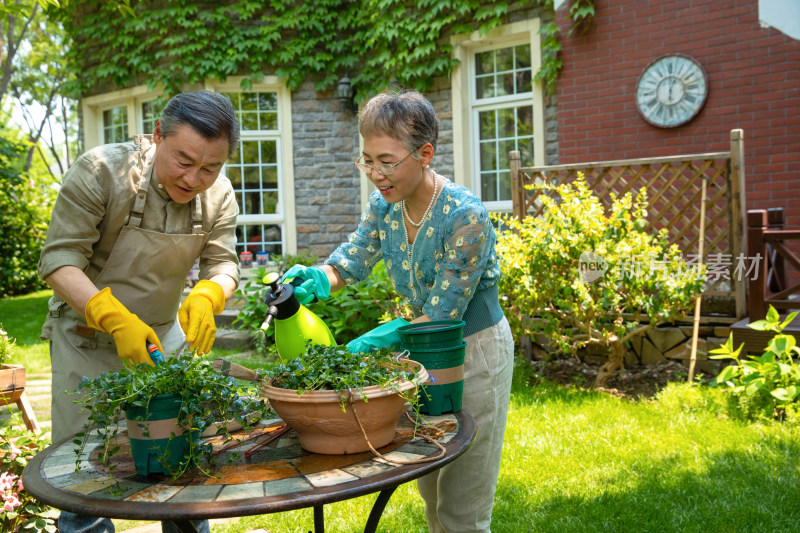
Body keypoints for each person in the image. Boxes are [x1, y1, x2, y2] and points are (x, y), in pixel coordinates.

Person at [282, 90, 514, 533]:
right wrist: (316, 279)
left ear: (424, 153)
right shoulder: (384, 205)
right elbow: (350, 261)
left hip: (474, 353)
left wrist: (378, 339)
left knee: (463, 508)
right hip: (419, 354)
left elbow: (444, 314)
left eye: (386, 161)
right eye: (367, 160)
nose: (374, 174)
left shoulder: (466, 217)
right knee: (430, 485)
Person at [38, 90, 241, 533]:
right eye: (184, 161)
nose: (194, 179)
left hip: (163, 340)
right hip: (86, 341)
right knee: (82, 479)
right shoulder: (101, 172)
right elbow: (57, 260)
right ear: (156, 136)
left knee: (181, 466)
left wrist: (209, 293)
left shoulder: (219, 194)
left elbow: (224, 262)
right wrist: (111, 316)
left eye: (211, 167)